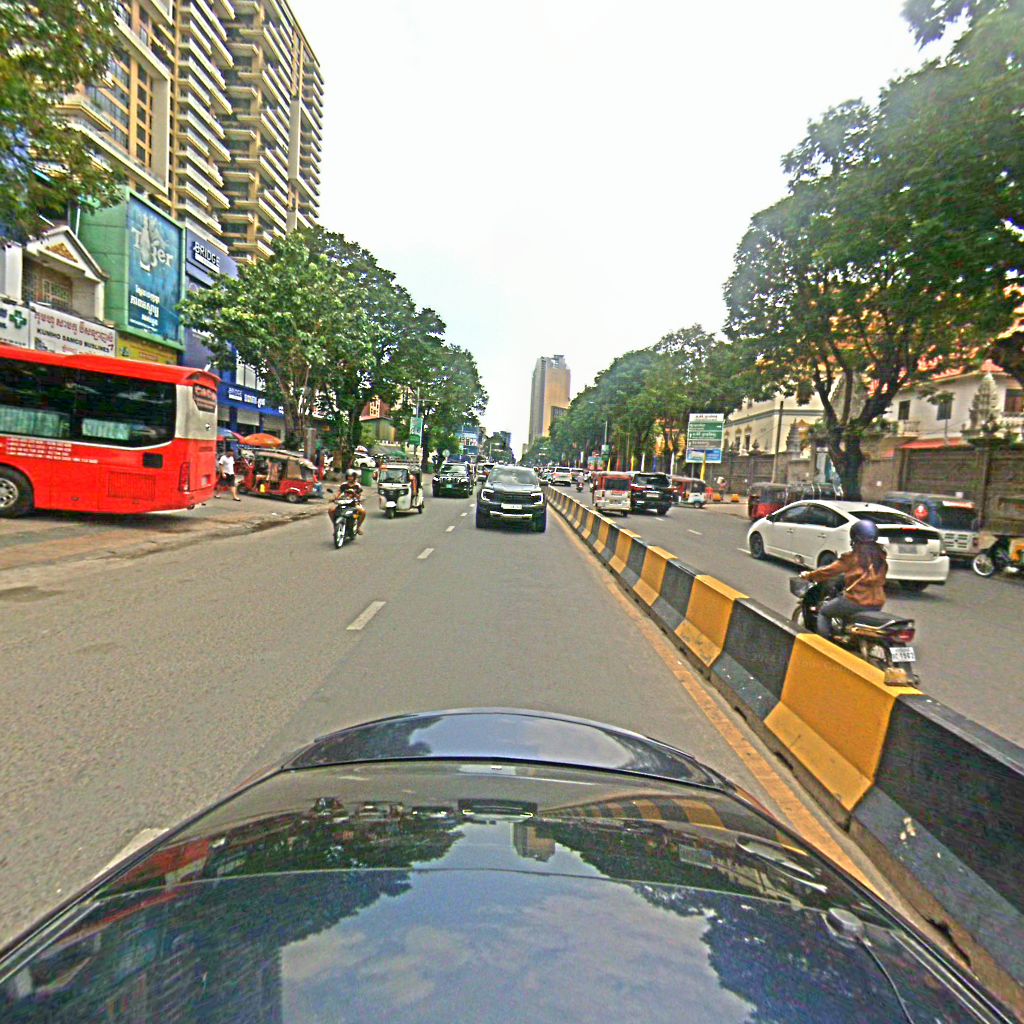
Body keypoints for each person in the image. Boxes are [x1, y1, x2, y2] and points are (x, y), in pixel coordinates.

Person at [801, 519, 887, 639]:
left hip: (857, 601)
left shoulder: (852, 557)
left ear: (855, 537)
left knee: (824, 612)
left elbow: (828, 571)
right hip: (878, 601)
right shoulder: (880, 557)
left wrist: (809, 575)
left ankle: (823, 644)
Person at [330, 468, 366, 535]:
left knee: (363, 512)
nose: (350, 478)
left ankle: (358, 527)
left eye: (351, 476)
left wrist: (355, 495)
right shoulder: (343, 485)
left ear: (354, 477)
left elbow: (359, 496)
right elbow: (338, 493)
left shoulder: (357, 485)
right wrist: (334, 498)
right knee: (331, 510)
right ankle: (335, 526)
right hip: (343, 503)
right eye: (349, 476)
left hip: (353, 503)